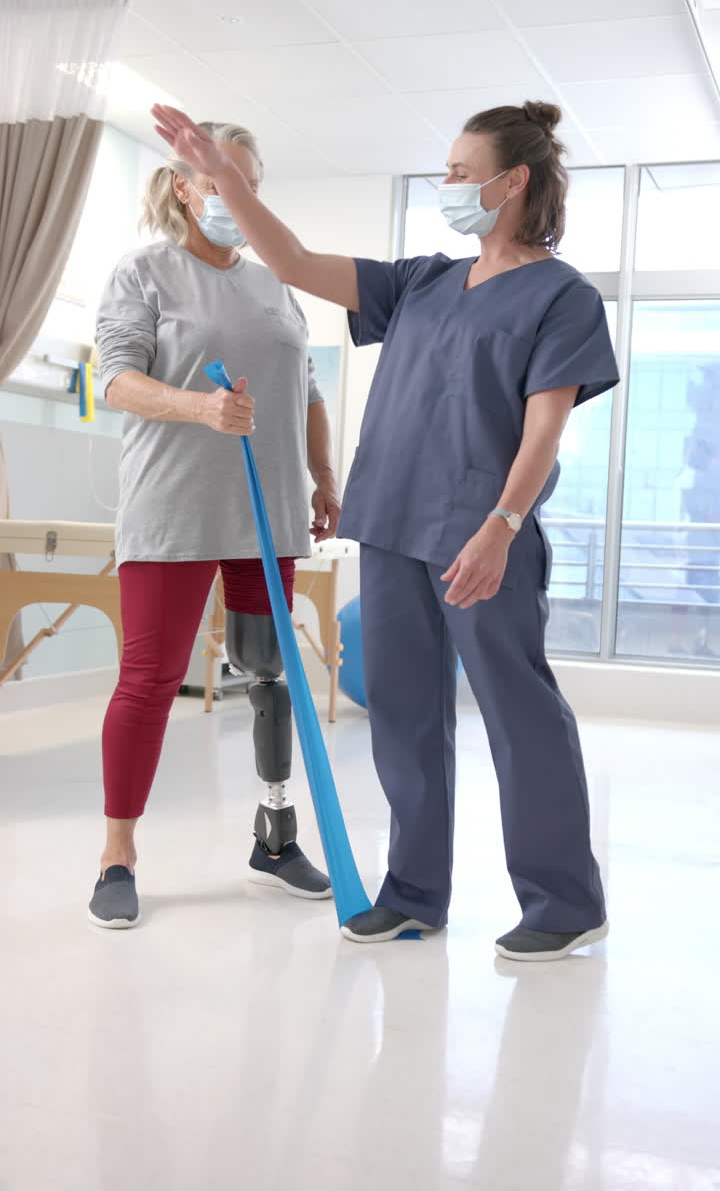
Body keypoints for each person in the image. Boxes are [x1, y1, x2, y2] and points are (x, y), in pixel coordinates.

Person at [152, 100, 619, 961]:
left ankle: (564, 902)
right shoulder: (421, 282)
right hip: (396, 524)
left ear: (513, 181)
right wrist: (219, 177)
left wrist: (502, 525)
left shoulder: (563, 296)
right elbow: (292, 261)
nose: (447, 183)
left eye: (460, 171)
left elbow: (545, 428)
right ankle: (412, 893)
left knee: (518, 715)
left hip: (482, 536)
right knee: (404, 716)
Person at [89, 121, 341, 929]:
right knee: (150, 680)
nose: (237, 195)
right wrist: (199, 407)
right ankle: (118, 855)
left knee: (270, 671)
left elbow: (307, 390)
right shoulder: (145, 271)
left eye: (250, 183)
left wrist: (324, 477)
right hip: (176, 507)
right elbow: (116, 380)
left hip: (269, 512)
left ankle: (275, 838)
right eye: (220, 179)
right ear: (184, 186)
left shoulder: (275, 284)